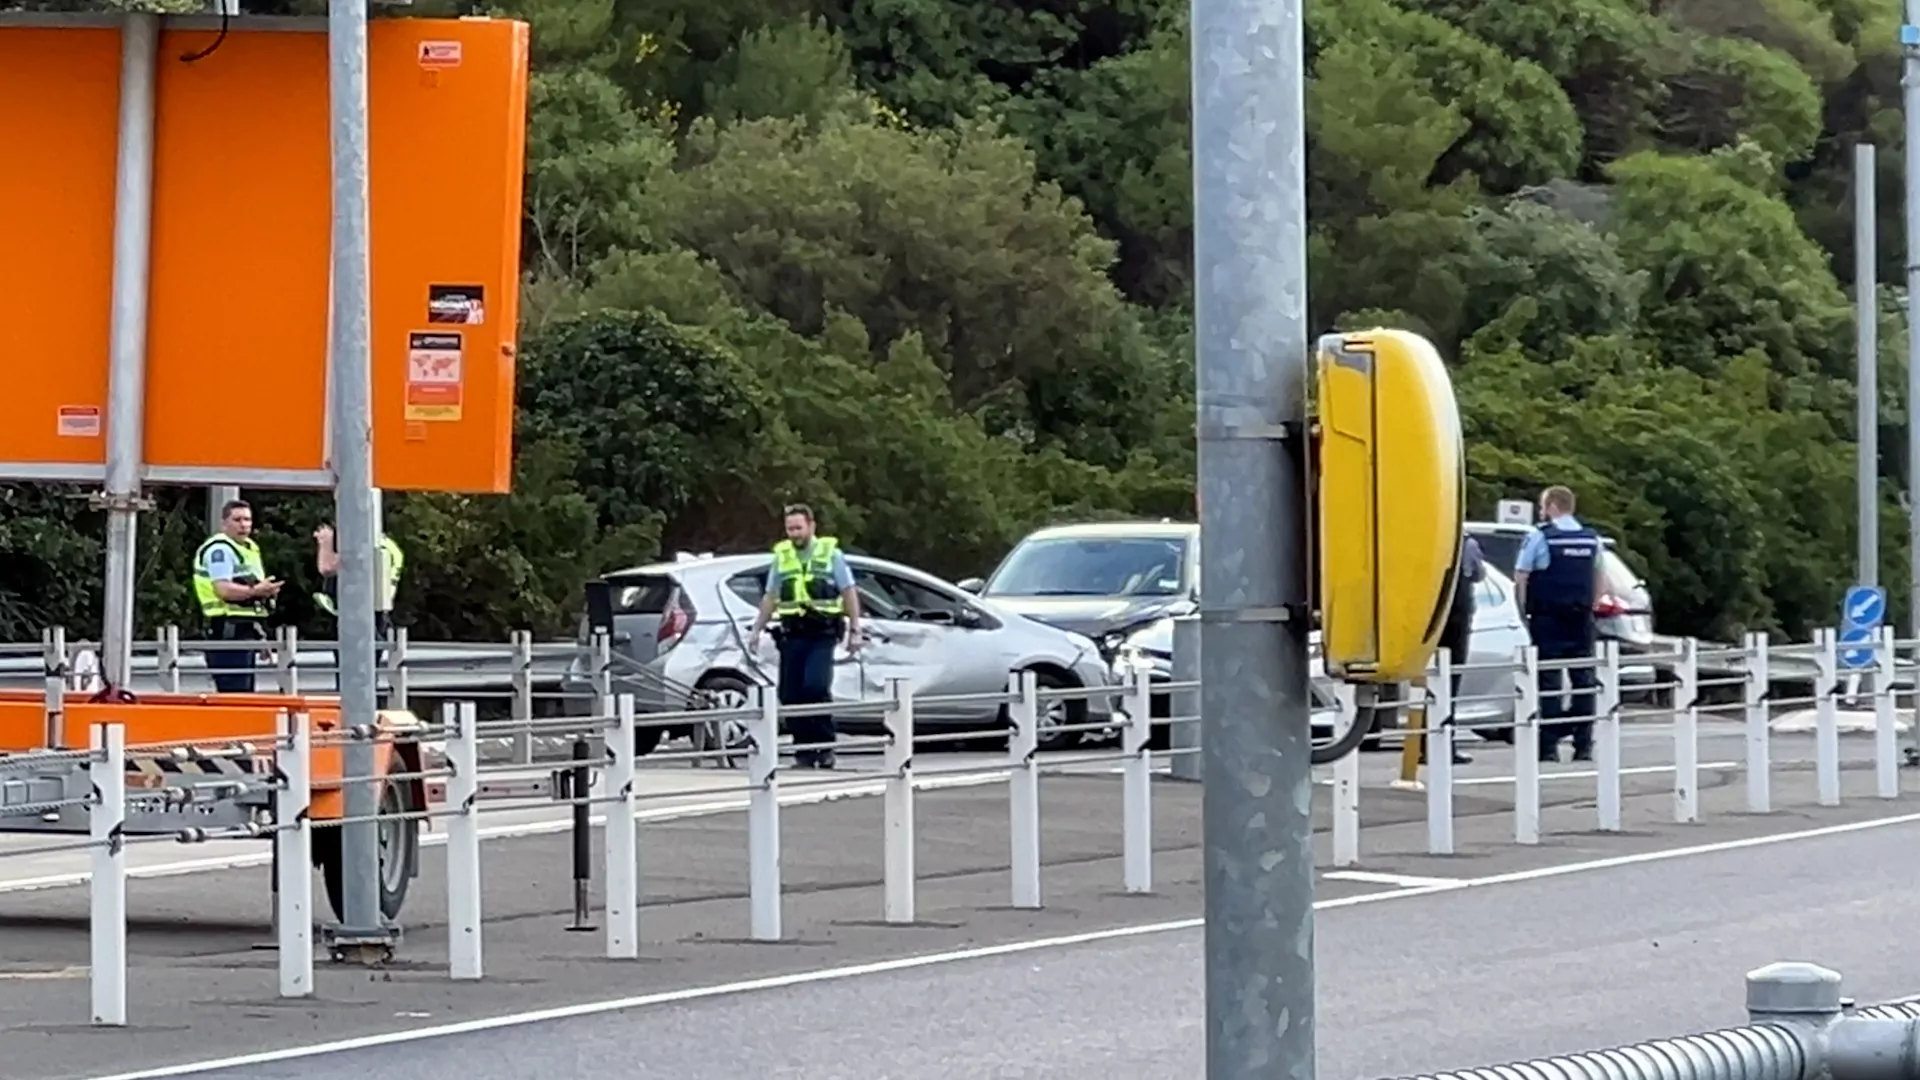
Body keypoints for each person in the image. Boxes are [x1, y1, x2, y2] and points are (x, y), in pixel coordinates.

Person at [747, 505, 864, 769]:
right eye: (790, 529)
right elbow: (771, 596)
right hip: (792, 633)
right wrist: (756, 629)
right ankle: (804, 751)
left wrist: (855, 628)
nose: (794, 534)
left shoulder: (830, 555)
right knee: (790, 693)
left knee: (815, 686)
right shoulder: (782, 556)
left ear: (811, 526)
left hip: (821, 632)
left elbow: (848, 591)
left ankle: (824, 747)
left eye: (798, 528)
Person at [1512, 485, 1606, 762]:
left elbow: (1521, 576)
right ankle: (1583, 744)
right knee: (1585, 683)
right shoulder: (1591, 539)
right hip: (1582, 619)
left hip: (1548, 618)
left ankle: (1548, 745)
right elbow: (1600, 576)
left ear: (1552, 506)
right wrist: (1595, 605)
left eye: (1543, 506)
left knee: (1549, 684)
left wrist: (1524, 612)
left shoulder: (1540, 537)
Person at [193, 499, 281, 693]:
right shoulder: (221, 550)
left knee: (245, 693)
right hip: (226, 628)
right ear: (224, 523)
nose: (244, 525)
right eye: (237, 519)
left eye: (248, 520)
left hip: (244, 628)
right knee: (234, 693)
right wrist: (257, 591)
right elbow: (223, 589)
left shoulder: (249, 548)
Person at [1426, 533, 1481, 767]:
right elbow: (1478, 574)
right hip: (1456, 619)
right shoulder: (1467, 542)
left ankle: (1422, 743)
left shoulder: (1425, 539)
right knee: (1450, 683)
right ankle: (1444, 743)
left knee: (1427, 683)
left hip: (1427, 618)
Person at [312, 523, 405, 638]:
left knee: (363, 647)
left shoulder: (364, 545)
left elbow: (327, 567)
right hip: (377, 605)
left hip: (361, 608)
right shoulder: (386, 545)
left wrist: (325, 541)